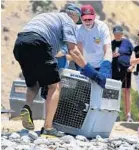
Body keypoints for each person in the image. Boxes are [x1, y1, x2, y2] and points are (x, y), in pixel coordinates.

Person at [13, 5, 79, 137]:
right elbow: (73, 50)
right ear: (73, 15)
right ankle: (48, 128)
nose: (76, 24)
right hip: (39, 43)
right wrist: (87, 67)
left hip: (20, 43)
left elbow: (56, 51)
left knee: (33, 84)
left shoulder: (47, 17)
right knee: (54, 86)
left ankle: (27, 107)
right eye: (77, 20)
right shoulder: (67, 20)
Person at [76, 4, 112, 79]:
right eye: (85, 19)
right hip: (86, 66)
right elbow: (79, 52)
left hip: (101, 67)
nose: (87, 21)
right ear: (81, 19)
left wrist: (105, 66)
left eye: (90, 19)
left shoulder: (102, 27)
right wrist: (83, 66)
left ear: (94, 17)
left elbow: (108, 49)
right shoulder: (78, 30)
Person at [111, 25, 134, 122]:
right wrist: (112, 55)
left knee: (126, 91)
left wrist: (132, 66)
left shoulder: (127, 42)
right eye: (116, 34)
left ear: (122, 33)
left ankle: (128, 115)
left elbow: (133, 54)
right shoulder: (111, 43)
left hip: (126, 69)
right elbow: (106, 55)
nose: (118, 35)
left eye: (119, 33)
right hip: (114, 69)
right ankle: (114, 114)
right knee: (114, 92)